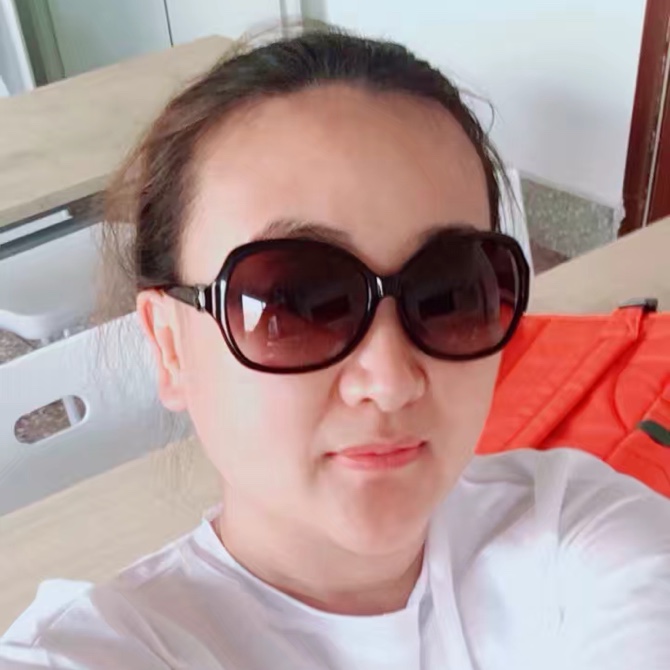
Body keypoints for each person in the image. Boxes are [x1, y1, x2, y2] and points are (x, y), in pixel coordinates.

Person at [1, 29, 669, 670]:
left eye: (449, 292)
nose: (391, 379)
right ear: (170, 346)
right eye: (294, 305)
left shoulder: (575, 526)